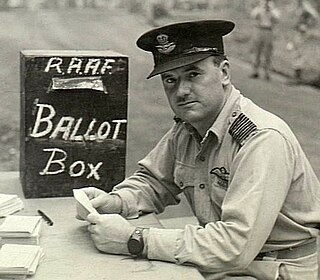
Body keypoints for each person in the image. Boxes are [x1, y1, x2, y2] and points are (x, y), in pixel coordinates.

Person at [77, 20, 320, 280]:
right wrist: (115, 201)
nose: (181, 91)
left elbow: (235, 245)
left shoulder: (260, 139)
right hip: (227, 265)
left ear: (224, 72)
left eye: (193, 75)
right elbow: (153, 182)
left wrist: (134, 239)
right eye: (170, 80)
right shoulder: (189, 128)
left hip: (278, 270)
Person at [286, 0, 319, 83]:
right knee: (294, 53)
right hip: (296, 32)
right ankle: (295, 75)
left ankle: (297, 77)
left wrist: (306, 26)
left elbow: (314, 16)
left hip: (302, 34)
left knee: (299, 54)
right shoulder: (297, 6)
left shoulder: (306, 6)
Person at [249, 0, 280, 80]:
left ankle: (266, 72)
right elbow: (253, 15)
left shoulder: (273, 8)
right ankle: (255, 70)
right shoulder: (260, 7)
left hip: (268, 30)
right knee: (257, 50)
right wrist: (261, 9)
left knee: (268, 52)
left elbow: (277, 19)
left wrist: (270, 11)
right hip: (259, 29)